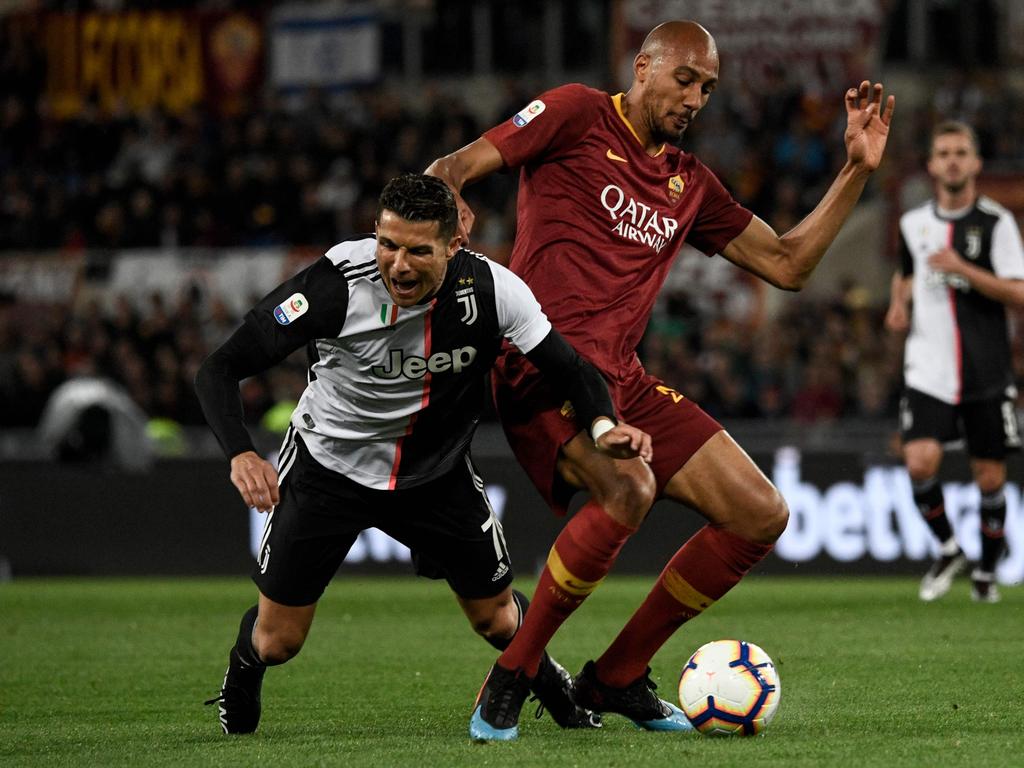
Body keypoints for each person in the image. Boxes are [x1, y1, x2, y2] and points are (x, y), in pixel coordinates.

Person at [425, 20, 894, 740]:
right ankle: (513, 673)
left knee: (760, 513)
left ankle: (614, 678)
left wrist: (856, 169)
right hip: (539, 366)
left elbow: (790, 265)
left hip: (622, 383)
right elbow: (451, 166)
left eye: (707, 88)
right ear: (642, 66)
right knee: (630, 487)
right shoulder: (576, 112)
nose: (696, 97)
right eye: (685, 78)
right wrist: (449, 208)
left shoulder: (691, 183)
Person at [194, 173, 653, 735]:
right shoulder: (335, 283)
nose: (399, 265)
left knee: (497, 618)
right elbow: (218, 367)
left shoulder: (492, 290)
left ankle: (560, 694)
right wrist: (241, 453)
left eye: (418, 250)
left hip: (436, 473)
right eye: (388, 244)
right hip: (329, 469)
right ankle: (243, 668)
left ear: (453, 246)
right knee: (277, 641)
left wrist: (604, 426)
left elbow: (572, 369)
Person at [885, 121, 1024, 604]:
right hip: (928, 366)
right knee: (919, 459)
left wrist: (964, 270)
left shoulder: (996, 223)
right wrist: (898, 303)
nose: (952, 160)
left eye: (961, 152)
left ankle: (986, 569)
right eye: (943, 152)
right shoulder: (912, 224)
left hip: (986, 368)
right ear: (930, 165)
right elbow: (905, 272)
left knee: (990, 477)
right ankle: (948, 548)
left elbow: (1018, 292)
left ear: (976, 163)